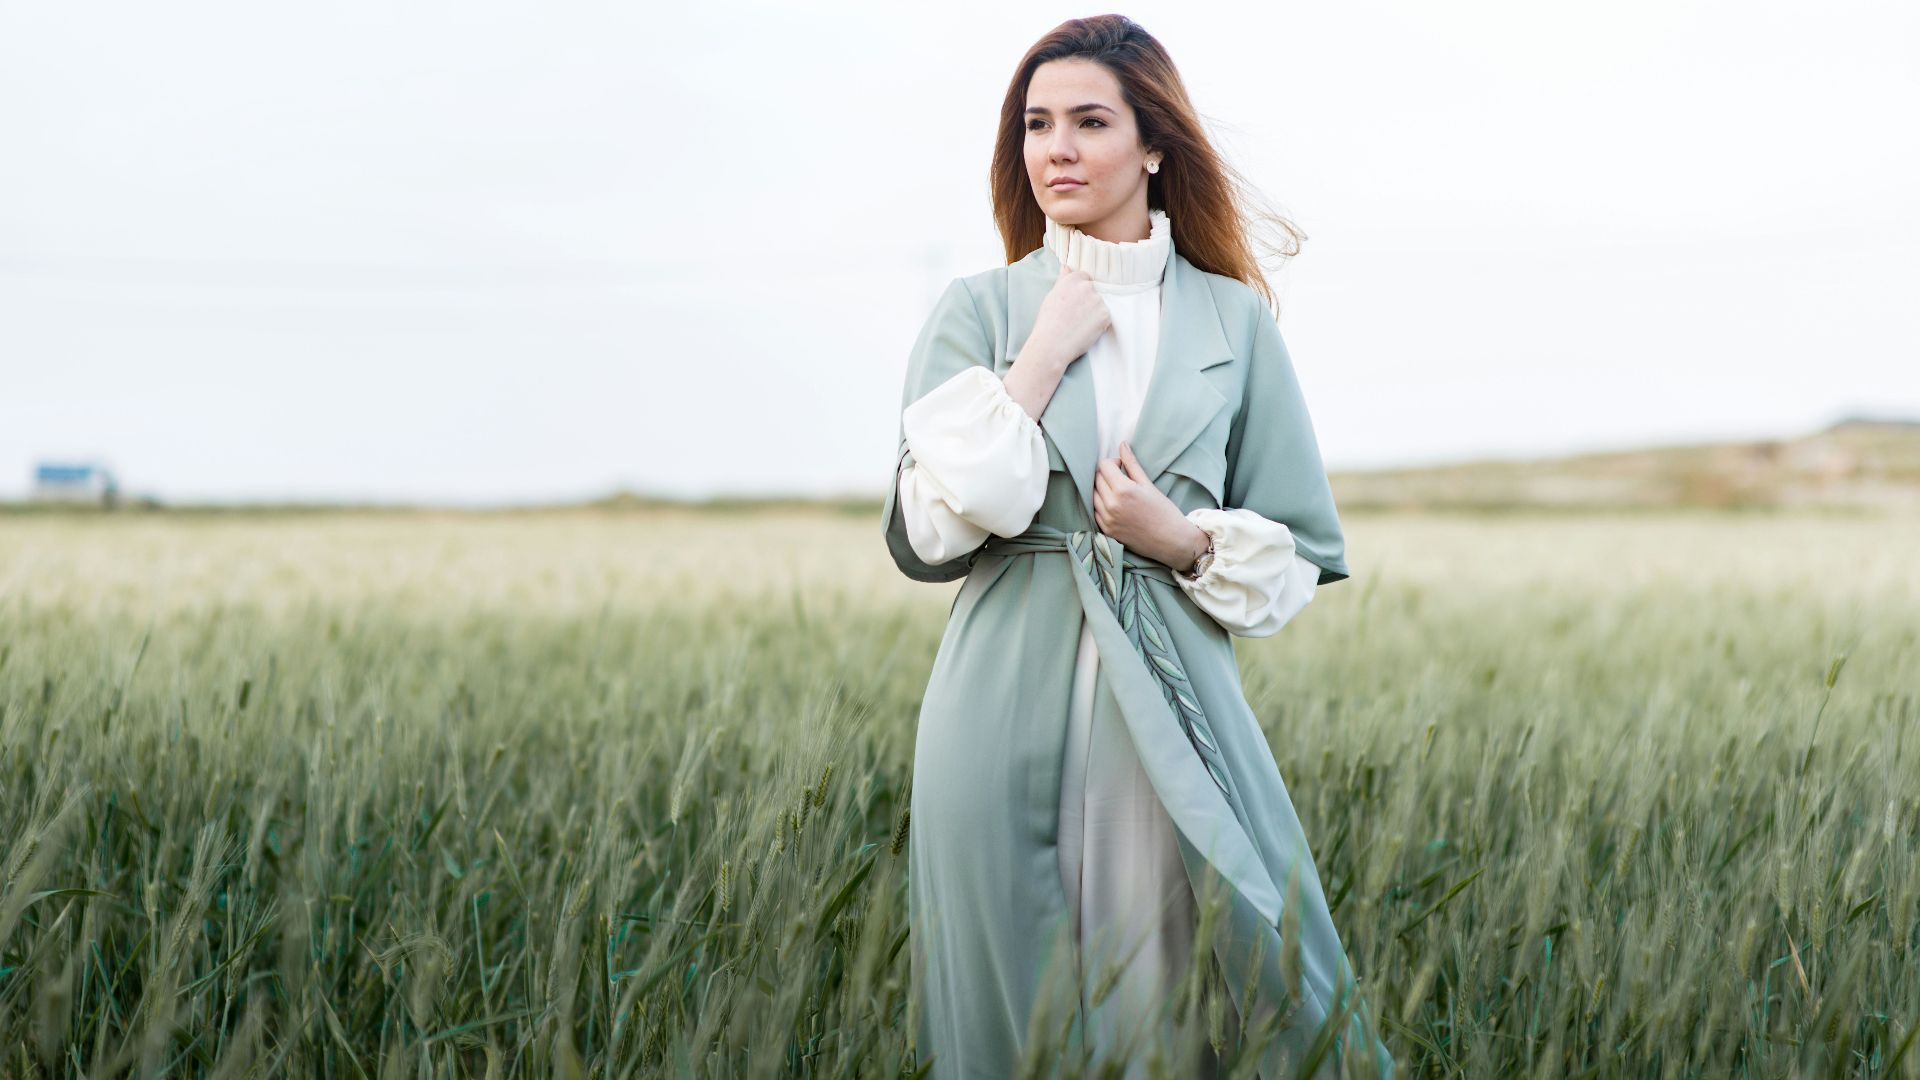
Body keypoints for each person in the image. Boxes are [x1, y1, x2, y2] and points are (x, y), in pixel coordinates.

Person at [881, 15, 1396, 1079]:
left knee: (1174, 1005)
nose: (1055, 148)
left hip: (1174, 712)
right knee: (1005, 1018)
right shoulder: (980, 311)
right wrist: (1043, 354)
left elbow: (1298, 550)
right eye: (1035, 124)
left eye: (1088, 121)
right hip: (992, 708)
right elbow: (931, 526)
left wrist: (1182, 539)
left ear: (1154, 143)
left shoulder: (1232, 322)